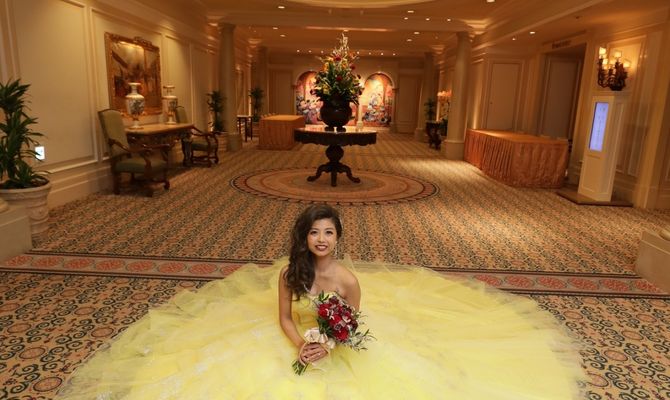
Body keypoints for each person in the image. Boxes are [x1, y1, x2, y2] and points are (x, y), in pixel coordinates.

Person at [57, 204, 586, 399]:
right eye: (314, 232)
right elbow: (283, 318)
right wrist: (300, 343)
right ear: (304, 237)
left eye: (329, 232)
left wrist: (329, 344)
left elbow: (351, 324)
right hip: (299, 340)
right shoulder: (290, 273)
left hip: (337, 346)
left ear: (339, 237)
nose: (321, 240)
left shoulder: (348, 281)